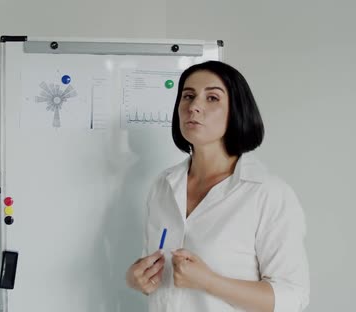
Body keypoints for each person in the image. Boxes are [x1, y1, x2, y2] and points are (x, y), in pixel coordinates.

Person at [125, 61, 310, 312]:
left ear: (236, 111)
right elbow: (157, 273)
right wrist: (139, 280)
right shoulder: (163, 186)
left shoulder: (267, 194)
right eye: (188, 96)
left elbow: (293, 297)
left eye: (212, 98)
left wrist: (209, 282)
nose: (194, 106)